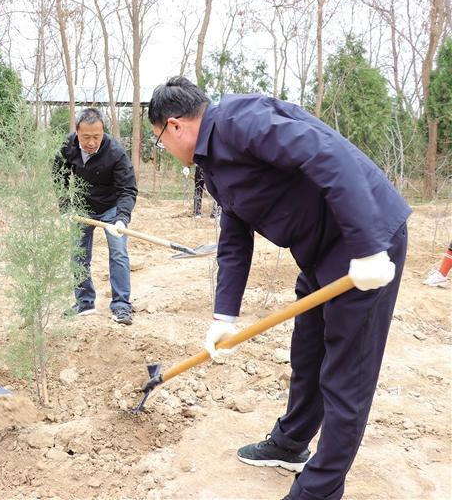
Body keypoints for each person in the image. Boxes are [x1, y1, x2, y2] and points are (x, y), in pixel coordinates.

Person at [148, 76, 410, 500]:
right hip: (322, 252)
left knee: (346, 376)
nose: (164, 148)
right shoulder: (213, 165)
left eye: (160, 139)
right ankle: (290, 443)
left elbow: (327, 156)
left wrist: (367, 246)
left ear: (174, 125)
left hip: (366, 240)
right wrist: (224, 318)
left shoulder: (241, 121)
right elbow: (233, 238)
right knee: (308, 352)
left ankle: (319, 490)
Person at [54, 108, 138, 325]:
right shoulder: (67, 147)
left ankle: (121, 306)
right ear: (77, 133)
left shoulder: (116, 152)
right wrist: (65, 207)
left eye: (96, 137)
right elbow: (59, 176)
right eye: (86, 137)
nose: (91, 142)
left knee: (118, 253)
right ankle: (84, 302)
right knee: (78, 255)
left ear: (103, 132)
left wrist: (121, 218)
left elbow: (128, 188)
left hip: (111, 208)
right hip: (82, 207)